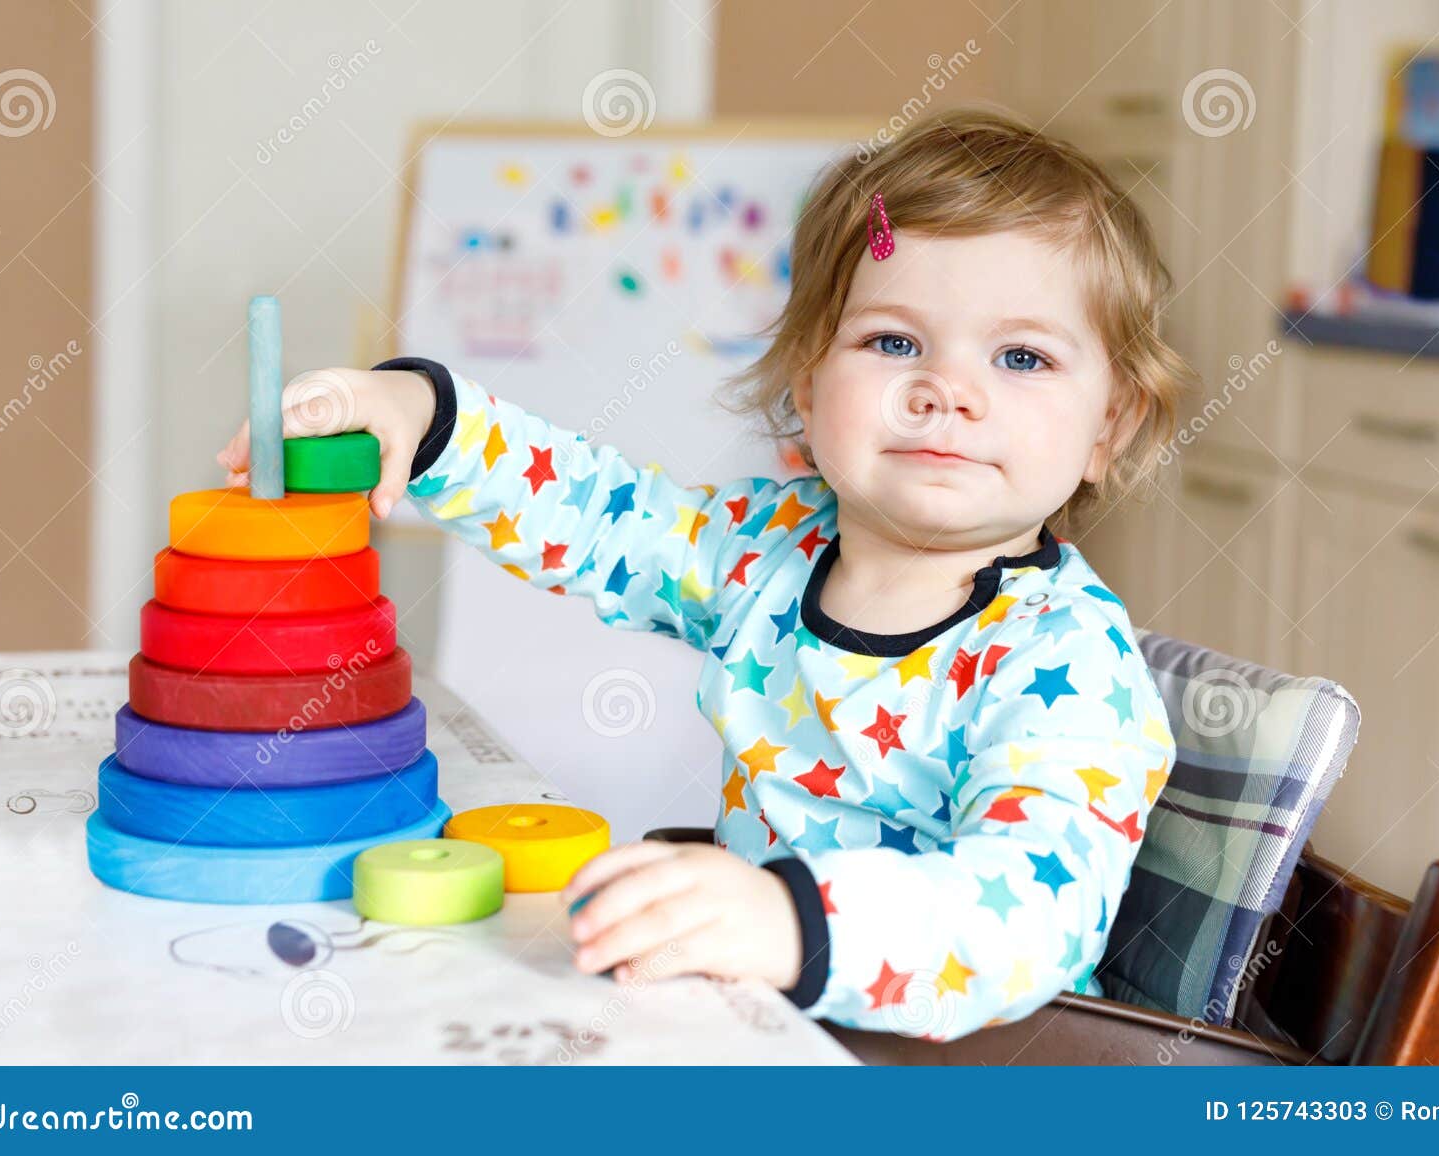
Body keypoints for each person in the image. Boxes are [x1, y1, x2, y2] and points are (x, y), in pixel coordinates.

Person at [217, 104, 1197, 1041]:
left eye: (1022, 357)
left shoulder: (1064, 659)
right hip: (756, 1032)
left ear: (1108, 428)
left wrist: (787, 920)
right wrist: (423, 416)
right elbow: (598, 516)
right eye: (892, 342)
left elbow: (1028, 916)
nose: (949, 389)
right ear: (808, 388)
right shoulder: (766, 552)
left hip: (961, 1075)